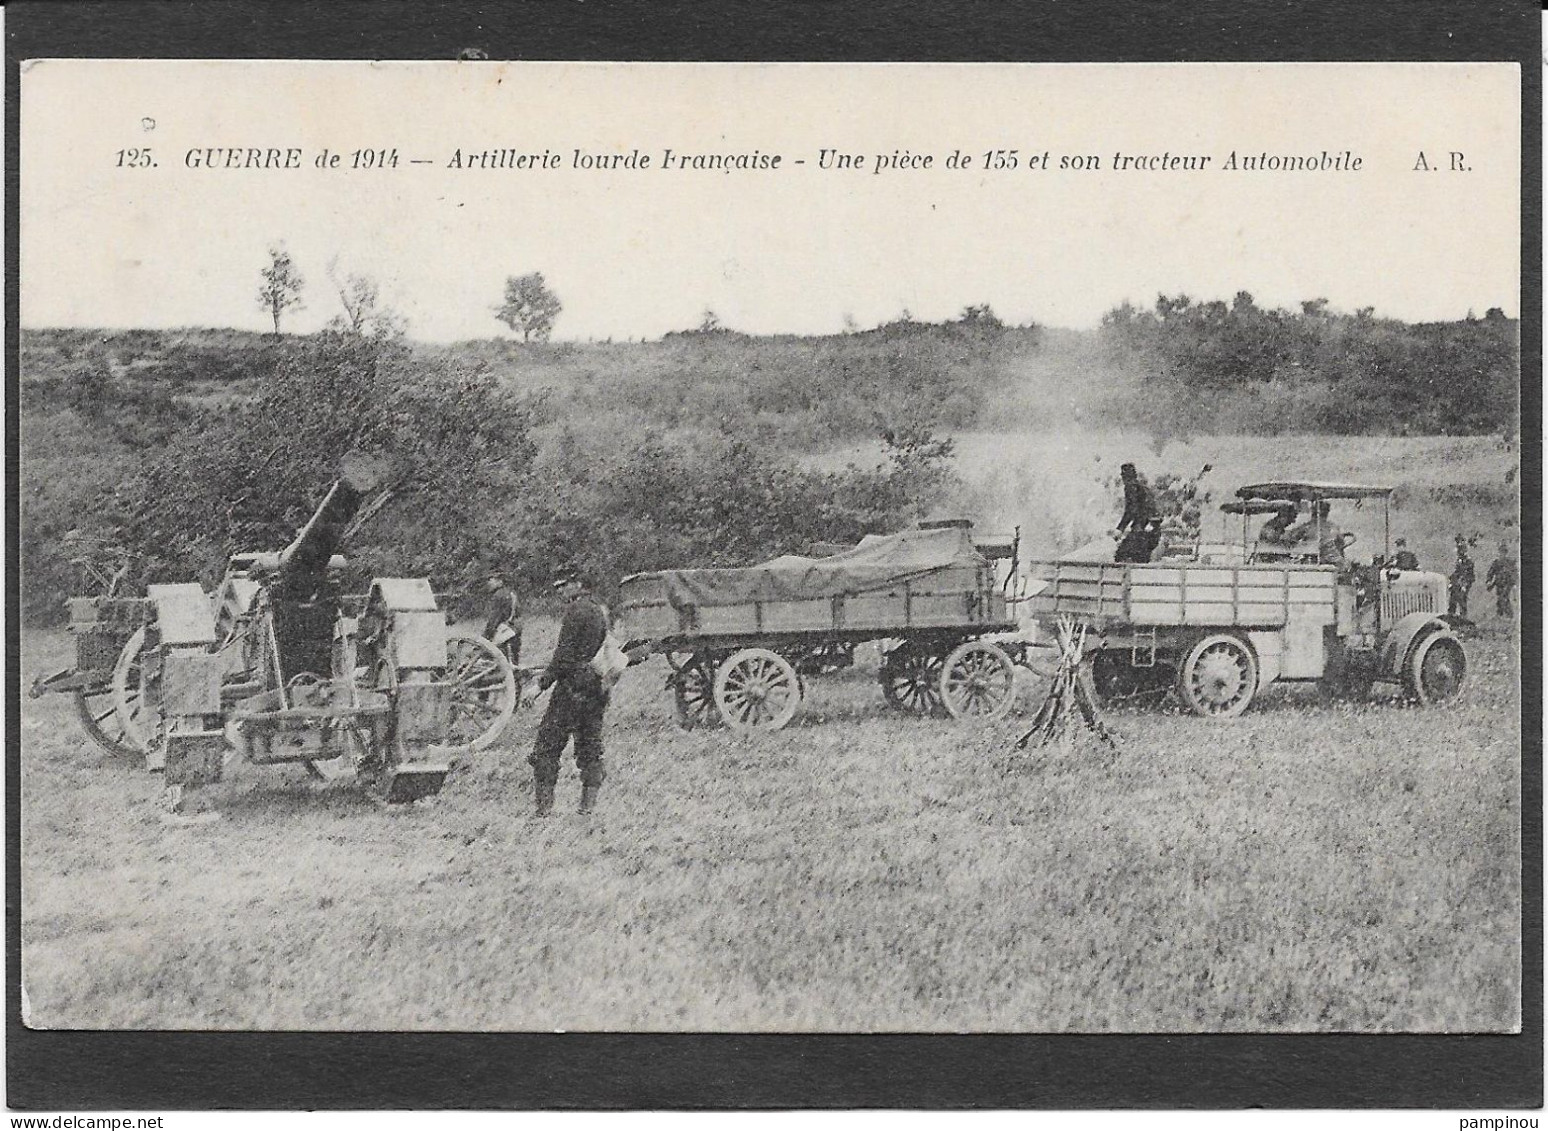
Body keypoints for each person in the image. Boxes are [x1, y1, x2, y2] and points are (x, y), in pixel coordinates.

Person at [528, 568, 612, 816]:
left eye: (563, 585)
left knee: (547, 746)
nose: (560, 591)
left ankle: (543, 811)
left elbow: (563, 657)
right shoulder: (598, 610)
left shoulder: (575, 611)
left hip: (571, 689)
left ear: (577, 584)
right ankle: (587, 809)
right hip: (595, 687)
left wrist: (539, 685)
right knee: (590, 747)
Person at [1114, 462, 1160, 564]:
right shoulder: (1144, 488)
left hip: (1142, 531)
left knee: (1121, 556)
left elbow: (1131, 511)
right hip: (1153, 531)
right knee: (1140, 560)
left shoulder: (1130, 487)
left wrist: (1120, 529)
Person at [481, 572, 523, 669]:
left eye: (491, 580)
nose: (489, 583)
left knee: (501, 657)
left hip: (505, 630)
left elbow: (494, 617)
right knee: (514, 656)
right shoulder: (511, 592)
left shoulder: (498, 595)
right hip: (516, 627)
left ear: (500, 581)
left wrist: (486, 635)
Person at [1485, 542, 1517, 618]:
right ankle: (1501, 614)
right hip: (1499, 584)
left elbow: (1514, 573)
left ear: (1506, 553)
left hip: (1507, 584)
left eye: (1504, 552)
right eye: (1501, 552)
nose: (1502, 554)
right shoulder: (1496, 562)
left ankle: (1508, 615)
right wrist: (1489, 581)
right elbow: (1490, 572)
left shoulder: (1510, 562)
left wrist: (1514, 584)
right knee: (1500, 598)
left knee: (1504, 598)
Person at [1449, 536, 1476, 618]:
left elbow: (1469, 574)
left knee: (1462, 600)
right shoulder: (1458, 560)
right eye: (1458, 550)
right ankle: (1451, 616)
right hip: (1456, 583)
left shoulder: (1468, 561)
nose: (1459, 552)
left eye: (1461, 550)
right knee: (1452, 600)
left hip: (1464, 583)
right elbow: (1456, 572)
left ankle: (1463, 618)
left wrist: (1464, 585)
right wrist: (1451, 583)